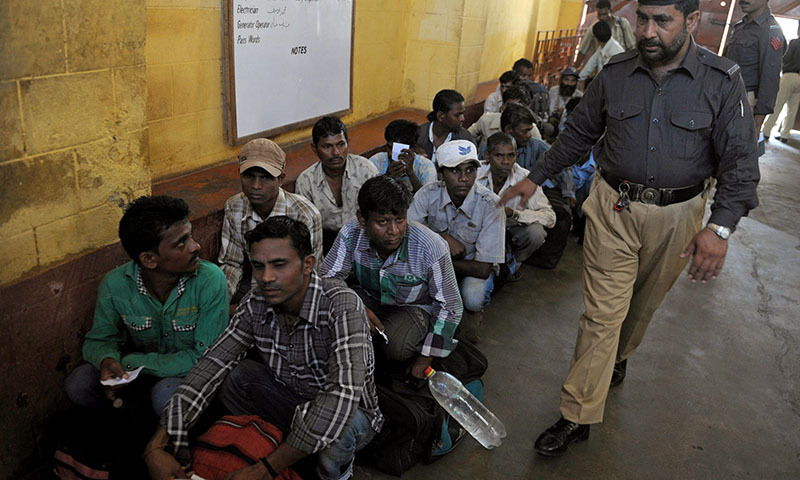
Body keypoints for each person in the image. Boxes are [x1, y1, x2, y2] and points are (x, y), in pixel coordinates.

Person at [498, 0, 759, 456]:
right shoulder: (616, 73)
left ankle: (616, 358)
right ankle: (577, 413)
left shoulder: (722, 81)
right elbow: (579, 133)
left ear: (691, 21)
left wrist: (719, 229)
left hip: (679, 217)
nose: (648, 31)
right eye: (643, 18)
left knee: (639, 308)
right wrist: (533, 178)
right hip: (612, 208)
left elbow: (740, 163)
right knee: (602, 316)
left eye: (663, 21)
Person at [144, 216, 383, 480]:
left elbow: (340, 396)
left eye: (279, 265)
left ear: (307, 265)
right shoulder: (256, 301)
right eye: (258, 266)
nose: (266, 277)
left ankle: (334, 472)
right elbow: (213, 363)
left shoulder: (343, 305)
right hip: (290, 402)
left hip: (349, 414)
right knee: (236, 376)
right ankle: (275, 448)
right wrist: (157, 445)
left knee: (342, 428)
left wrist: (264, 469)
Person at [64, 196, 229, 415]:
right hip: (136, 374)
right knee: (79, 384)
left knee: (165, 396)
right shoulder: (115, 285)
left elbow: (206, 357)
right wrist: (107, 359)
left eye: (190, 236)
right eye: (181, 242)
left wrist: (133, 363)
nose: (195, 246)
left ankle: (162, 433)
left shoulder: (210, 280)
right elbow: (99, 340)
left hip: (184, 374)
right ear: (149, 259)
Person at [321, 176, 463, 378]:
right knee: (336, 315)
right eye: (382, 222)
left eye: (400, 219)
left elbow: (450, 305)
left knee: (396, 346)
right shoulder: (351, 232)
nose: (394, 231)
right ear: (362, 219)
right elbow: (327, 279)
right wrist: (356, 307)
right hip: (370, 296)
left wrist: (427, 357)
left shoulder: (431, 245)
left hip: (413, 306)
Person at [408, 140, 505, 343]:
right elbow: (407, 234)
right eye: (455, 171)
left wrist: (436, 262)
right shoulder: (427, 194)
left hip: (471, 265)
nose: (464, 178)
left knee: (473, 297)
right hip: (440, 262)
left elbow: (482, 269)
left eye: (470, 170)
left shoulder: (491, 205)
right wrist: (441, 238)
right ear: (441, 173)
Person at [219, 138, 323, 304]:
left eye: (266, 177)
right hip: (254, 285)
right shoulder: (234, 207)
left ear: (280, 179)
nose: (256, 185)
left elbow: (309, 274)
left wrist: (258, 307)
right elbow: (231, 263)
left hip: (291, 293)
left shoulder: (305, 214)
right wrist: (221, 305)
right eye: (249, 176)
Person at [501, 103, 574, 270]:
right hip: (506, 197)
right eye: (525, 131)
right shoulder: (492, 146)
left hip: (537, 193)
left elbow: (561, 164)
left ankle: (542, 258)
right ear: (508, 130)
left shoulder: (537, 145)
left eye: (530, 129)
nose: (529, 135)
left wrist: (568, 192)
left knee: (562, 213)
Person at [296, 116, 379, 254]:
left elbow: (379, 213)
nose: (336, 153)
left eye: (340, 144)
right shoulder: (306, 181)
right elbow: (306, 231)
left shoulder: (366, 169)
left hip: (365, 237)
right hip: (326, 242)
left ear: (348, 143)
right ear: (314, 149)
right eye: (327, 146)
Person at [477, 132, 556, 272]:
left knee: (536, 233)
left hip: (510, 230)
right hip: (479, 229)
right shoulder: (475, 173)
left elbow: (550, 217)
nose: (506, 161)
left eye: (511, 155)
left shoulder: (526, 178)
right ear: (487, 156)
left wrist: (515, 214)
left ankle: (515, 262)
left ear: (516, 156)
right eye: (499, 156)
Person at [723, 0, 786, 137]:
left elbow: (770, 77)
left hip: (745, 101)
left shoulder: (771, 30)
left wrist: (758, 121)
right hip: (725, 96)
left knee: (736, 151)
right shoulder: (741, 26)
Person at [369, 119, 437, 193]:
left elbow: (429, 198)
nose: (391, 153)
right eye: (389, 147)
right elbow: (369, 194)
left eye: (397, 149)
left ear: (412, 149)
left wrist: (411, 173)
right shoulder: (376, 162)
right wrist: (387, 176)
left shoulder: (426, 167)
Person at [762, 20, 800, 142]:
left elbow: (785, 57)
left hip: (789, 75)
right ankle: (785, 135)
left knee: (778, 105)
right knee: (792, 109)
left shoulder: (795, 42)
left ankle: (766, 131)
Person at [416, 89, 476, 165]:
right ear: (441, 116)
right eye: (457, 115)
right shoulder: (417, 136)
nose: (462, 119)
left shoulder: (465, 138)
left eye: (463, 114)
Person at [469, 84, 538, 150]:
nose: (512, 111)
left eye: (519, 108)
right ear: (502, 105)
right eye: (509, 105)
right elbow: (467, 136)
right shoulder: (486, 121)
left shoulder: (532, 130)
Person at [575, 0, 636, 68]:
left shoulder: (623, 24)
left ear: (611, 12)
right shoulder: (593, 29)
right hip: (602, 67)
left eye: (604, 14)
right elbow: (582, 51)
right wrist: (573, 70)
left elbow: (631, 47)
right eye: (599, 15)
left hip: (621, 65)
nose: (602, 18)